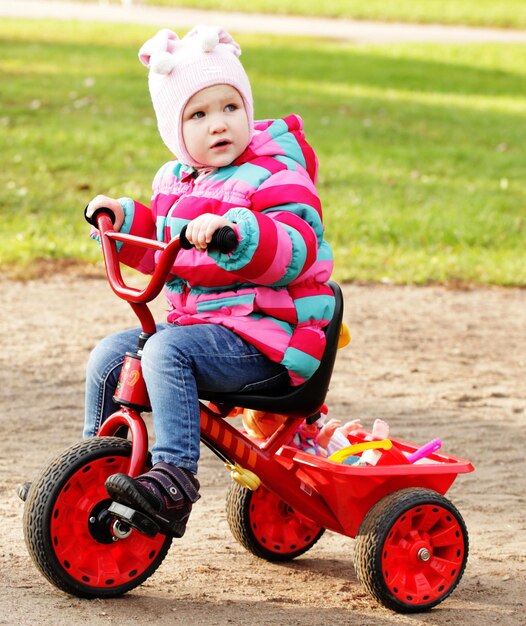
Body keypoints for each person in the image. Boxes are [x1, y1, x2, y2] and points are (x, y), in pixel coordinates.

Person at [84, 25, 334, 538]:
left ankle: (174, 478)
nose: (218, 124)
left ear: (247, 108)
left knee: (164, 352)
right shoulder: (176, 180)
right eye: (198, 115)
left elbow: (296, 246)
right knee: (111, 355)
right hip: (208, 331)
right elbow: (163, 242)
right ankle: (91, 465)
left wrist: (237, 233)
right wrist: (124, 220)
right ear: (175, 131)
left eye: (229, 108)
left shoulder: (276, 174)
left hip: (271, 339)